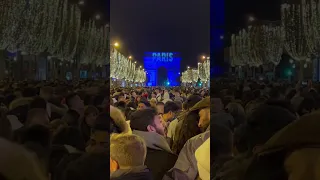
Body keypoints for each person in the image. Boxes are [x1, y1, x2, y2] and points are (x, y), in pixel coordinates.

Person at [130, 108, 177, 180]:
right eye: (160, 122)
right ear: (151, 129)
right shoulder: (168, 160)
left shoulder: (127, 155)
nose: (164, 125)